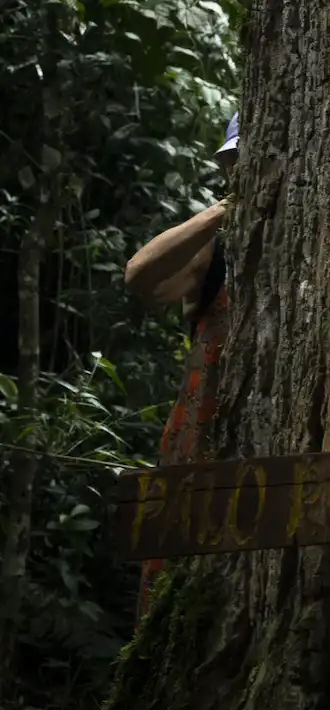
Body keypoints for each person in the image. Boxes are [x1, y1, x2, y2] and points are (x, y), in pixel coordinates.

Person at [123, 112, 237, 613]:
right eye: (233, 161)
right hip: (208, 430)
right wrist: (222, 213)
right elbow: (141, 276)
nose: (243, 168)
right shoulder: (213, 246)